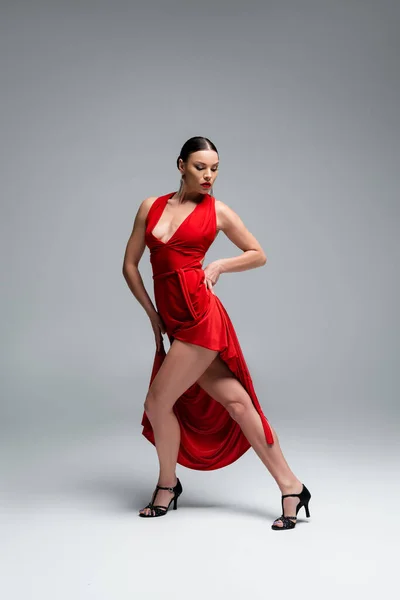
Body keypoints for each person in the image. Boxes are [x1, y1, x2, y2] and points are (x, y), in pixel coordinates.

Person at [122, 136, 311, 530]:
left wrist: (220, 266)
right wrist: (153, 316)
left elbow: (258, 253)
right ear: (180, 166)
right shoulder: (150, 207)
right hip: (174, 320)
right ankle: (292, 486)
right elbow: (130, 265)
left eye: (215, 168)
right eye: (200, 167)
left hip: (201, 317)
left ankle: (167, 485)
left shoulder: (219, 211)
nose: (209, 176)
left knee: (157, 401)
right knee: (238, 405)